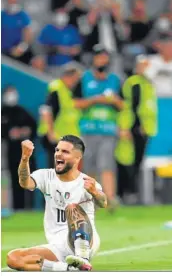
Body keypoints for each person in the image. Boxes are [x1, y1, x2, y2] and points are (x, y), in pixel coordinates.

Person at [6, 135, 107, 271]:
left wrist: (95, 191)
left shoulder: (86, 182)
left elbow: (103, 202)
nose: (58, 154)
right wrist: (25, 158)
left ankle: (83, 257)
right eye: (57, 150)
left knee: (72, 208)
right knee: (13, 258)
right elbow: (24, 182)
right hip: (57, 246)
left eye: (65, 152)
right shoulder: (46, 176)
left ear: (77, 158)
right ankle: (68, 269)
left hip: (85, 241)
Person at [73, 44, 124, 211]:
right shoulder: (84, 79)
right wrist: (95, 100)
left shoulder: (115, 80)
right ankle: (90, 199)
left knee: (107, 164)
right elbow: (76, 102)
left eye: (104, 56)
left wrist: (114, 100)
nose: (102, 60)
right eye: (99, 56)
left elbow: (123, 104)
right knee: (90, 166)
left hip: (108, 129)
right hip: (88, 129)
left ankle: (109, 198)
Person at [117, 55, 158, 203]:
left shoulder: (146, 83)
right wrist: (135, 126)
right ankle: (126, 193)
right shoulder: (135, 83)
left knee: (136, 161)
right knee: (128, 161)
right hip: (134, 127)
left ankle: (130, 193)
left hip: (142, 127)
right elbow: (134, 106)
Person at [38, 64, 82, 169]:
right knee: (55, 169)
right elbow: (46, 110)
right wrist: (50, 132)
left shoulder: (67, 90)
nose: (76, 82)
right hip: (55, 136)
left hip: (63, 137)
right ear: (68, 76)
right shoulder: (56, 88)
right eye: (75, 78)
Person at [1, 86, 37, 211]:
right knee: (13, 183)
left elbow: (33, 127)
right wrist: (9, 133)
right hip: (8, 154)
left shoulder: (22, 112)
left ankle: (29, 209)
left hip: (25, 154)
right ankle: (15, 209)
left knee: (29, 181)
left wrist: (24, 131)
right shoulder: (3, 112)